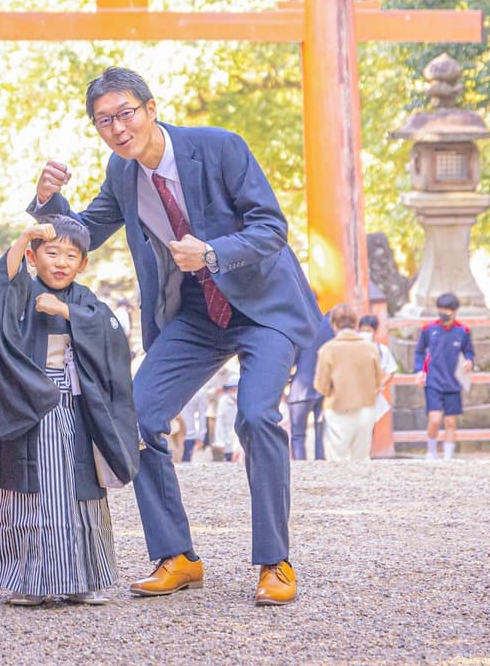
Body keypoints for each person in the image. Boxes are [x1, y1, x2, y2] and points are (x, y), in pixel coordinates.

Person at [31, 66, 321, 607]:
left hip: (263, 306)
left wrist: (212, 253)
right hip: (194, 312)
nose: (118, 129)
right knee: (136, 418)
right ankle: (177, 556)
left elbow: (271, 228)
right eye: (104, 121)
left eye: (125, 114)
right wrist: (48, 201)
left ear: (151, 108)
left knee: (256, 416)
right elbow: (83, 233)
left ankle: (275, 562)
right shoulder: (122, 172)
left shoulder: (220, 147)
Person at [0, 216, 139, 607]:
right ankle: (28, 581)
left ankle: (83, 579)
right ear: (32, 257)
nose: (61, 262)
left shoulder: (86, 300)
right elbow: (0, 288)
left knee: (80, 495)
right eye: (51, 252)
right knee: (28, 495)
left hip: (76, 406)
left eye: (71, 255)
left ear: (83, 264)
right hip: (28, 405)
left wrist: (67, 312)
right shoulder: (22, 291)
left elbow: (113, 336)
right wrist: (24, 236)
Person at [312, 305, 383, 461]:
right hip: (366, 408)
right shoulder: (370, 348)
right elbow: (379, 381)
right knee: (361, 459)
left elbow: (321, 385)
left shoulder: (328, 349)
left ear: (334, 324)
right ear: (356, 323)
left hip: (338, 409)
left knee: (337, 460)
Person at [413, 292, 475, 460]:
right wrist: (419, 370)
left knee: (450, 421)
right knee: (435, 419)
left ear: (454, 311)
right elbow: (419, 352)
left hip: (453, 382)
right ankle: (431, 452)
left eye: (447, 310)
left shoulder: (463, 331)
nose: (444, 313)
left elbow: (469, 351)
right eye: (441, 309)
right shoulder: (428, 330)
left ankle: (448, 457)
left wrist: (469, 361)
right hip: (433, 381)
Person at [288, 312, 333, 461]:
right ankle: (320, 466)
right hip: (324, 387)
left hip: (301, 388)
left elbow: (292, 358)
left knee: (298, 436)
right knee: (321, 434)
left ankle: (301, 468)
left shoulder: (299, 323)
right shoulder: (329, 325)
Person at [358, 314, 398, 430]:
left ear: (374, 332)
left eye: (368, 331)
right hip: (355, 395)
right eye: (362, 331)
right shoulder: (353, 349)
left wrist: (379, 385)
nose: (364, 334)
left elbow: (391, 371)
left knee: (369, 427)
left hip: (372, 396)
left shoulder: (381, 350)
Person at [178, 386, 211, 463]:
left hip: (189, 435)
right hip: (170, 434)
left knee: (185, 464)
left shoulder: (199, 391)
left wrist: (201, 437)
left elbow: (202, 415)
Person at [212, 377, 241, 462]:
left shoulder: (247, 401)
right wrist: (219, 441)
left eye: (236, 389)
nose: (235, 392)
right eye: (232, 390)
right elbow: (220, 422)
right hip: (228, 440)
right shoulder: (224, 401)